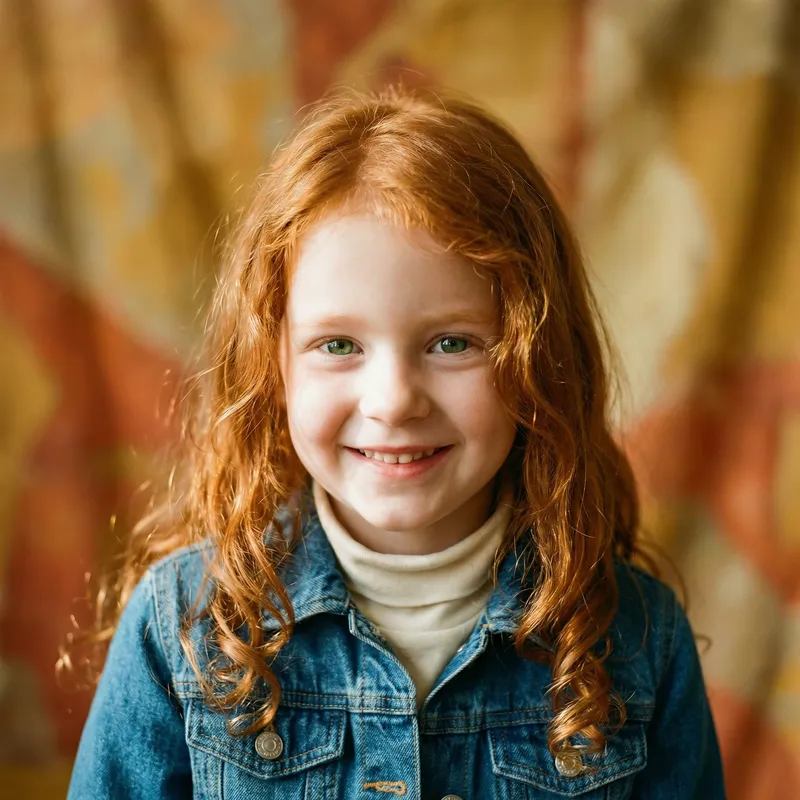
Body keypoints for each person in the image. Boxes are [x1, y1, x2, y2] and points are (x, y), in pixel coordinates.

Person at [65, 86, 725, 799]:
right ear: (273, 366)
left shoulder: (637, 642)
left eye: (451, 343)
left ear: (538, 359)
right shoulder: (181, 633)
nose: (393, 402)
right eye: (339, 344)